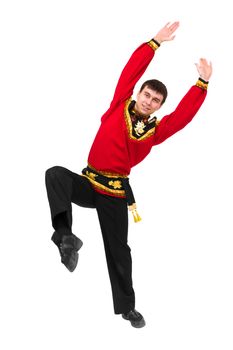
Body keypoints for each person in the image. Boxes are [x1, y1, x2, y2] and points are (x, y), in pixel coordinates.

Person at [45, 21, 212, 328]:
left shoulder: (155, 132)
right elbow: (130, 70)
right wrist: (154, 43)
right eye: (147, 94)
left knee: (119, 250)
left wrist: (201, 84)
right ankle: (66, 238)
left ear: (159, 106)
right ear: (140, 93)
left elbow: (183, 117)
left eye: (156, 101)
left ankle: (127, 308)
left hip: (114, 194)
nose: (149, 101)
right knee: (54, 175)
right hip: (88, 181)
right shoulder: (118, 105)